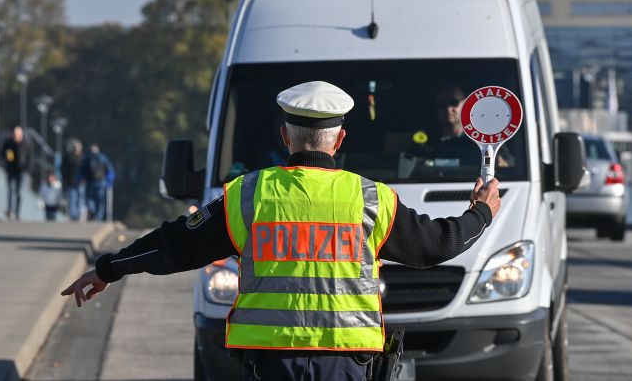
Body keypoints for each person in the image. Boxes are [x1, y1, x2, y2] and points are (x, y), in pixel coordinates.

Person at [62, 81, 501, 380]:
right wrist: (480, 213)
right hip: (343, 364)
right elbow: (435, 246)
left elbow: (174, 246)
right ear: (339, 139)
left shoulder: (247, 196)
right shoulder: (370, 199)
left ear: (285, 136)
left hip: (271, 364)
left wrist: (109, 268)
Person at [431, 86, 514, 167]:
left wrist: (501, 163)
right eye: (442, 104)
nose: (448, 108)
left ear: (465, 105)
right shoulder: (427, 141)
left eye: (454, 102)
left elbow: (508, 163)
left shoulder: (483, 138)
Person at [0, 126, 32, 220]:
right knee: (10, 190)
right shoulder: (8, 142)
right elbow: (2, 154)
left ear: (21, 134)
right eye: (14, 133)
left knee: (18, 192)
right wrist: (6, 157)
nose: (16, 136)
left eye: (17, 134)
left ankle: (17, 212)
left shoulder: (26, 143)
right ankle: (9, 210)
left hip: (21, 170)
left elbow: (30, 157)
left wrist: (28, 169)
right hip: (10, 169)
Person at [79, 144, 114, 221]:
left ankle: (93, 212)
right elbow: (109, 169)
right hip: (101, 182)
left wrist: (81, 179)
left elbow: (81, 171)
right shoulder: (103, 157)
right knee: (100, 201)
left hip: (89, 182)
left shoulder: (87, 158)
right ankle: (98, 217)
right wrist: (110, 180)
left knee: (90, 199)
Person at [61, 139, 84, 221]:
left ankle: (78, 215)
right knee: (72, 199)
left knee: (80, 200)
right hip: (70, 181)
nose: (77, 148)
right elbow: (63, 169)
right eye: (75, 146)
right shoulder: (68, 156)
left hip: (80, 182)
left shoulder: (83, 158)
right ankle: (73, 216)